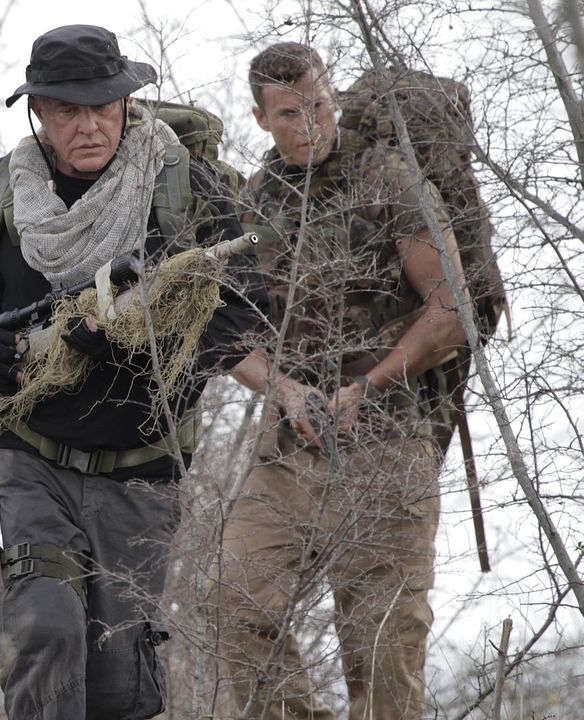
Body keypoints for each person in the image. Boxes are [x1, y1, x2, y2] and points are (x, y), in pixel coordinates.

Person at [0, 24, 266, 720]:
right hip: (33, 458)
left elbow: (244, 313)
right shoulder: (4, 192)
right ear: (40, 116)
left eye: (100, 107)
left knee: (119, 680)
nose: (87, 124)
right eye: (66, 110)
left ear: (124, 104)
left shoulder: (182, 187)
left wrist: (141, 356)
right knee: (44, 626)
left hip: (138, 466)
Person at [218, 43, 470, 719]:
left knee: (382, 649)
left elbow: (450, 311)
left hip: (387, 438)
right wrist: (284, 390)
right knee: (236, 608)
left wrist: (369, 387)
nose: (310, 126)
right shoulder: (255, 201)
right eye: (290, 114)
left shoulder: (386, 174)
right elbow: (225, 336)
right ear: (260, 118)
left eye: (321, 106)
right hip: (290, 444)